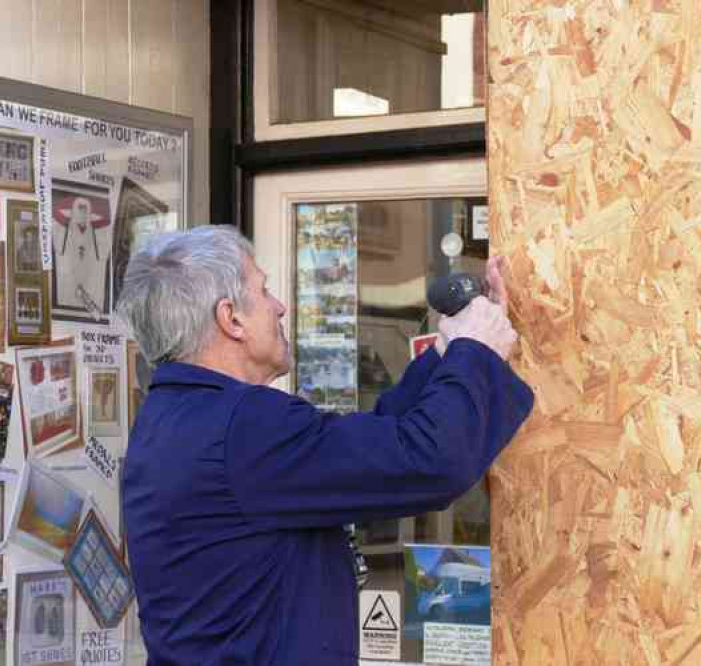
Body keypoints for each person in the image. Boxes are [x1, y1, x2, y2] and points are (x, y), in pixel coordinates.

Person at [117, 226, 534, 666]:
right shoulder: (245, 426)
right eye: (264, 291)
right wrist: (475, 352)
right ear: (230, 318)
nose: (280, 307)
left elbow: (371, 449)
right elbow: (431, 461)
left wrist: (449, 352)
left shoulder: (173, 418)